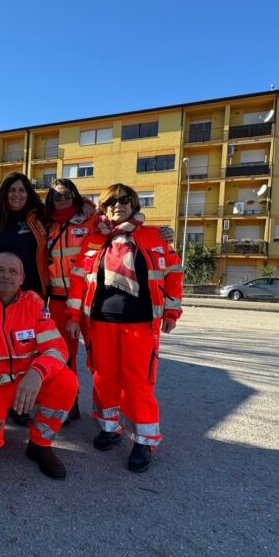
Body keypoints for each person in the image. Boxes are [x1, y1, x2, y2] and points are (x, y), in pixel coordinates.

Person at [65, 183, 183, 473]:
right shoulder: (94, 239)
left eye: (124, 200)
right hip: (101, 321)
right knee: (104, 378)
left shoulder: (154, 235)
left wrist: (172, 311)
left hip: (141, 322)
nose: (118, 205)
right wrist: (72, 316)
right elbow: (79, 280)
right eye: (111, 202)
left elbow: (173, 273)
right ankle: (110, 428)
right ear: (104, 208)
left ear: (134, 204)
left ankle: (144, 441)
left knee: (138, 382)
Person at [0, 252, 79, 479]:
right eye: (0, 270)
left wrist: (37, 372)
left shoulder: (34, 304)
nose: (6, 276)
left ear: (22, 278)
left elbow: (56, 348)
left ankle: (40, 444)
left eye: (13, 271)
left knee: (66, 380)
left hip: (26, 382)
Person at [42, 179, 96, 421]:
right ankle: (69, 402)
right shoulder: (46, 224)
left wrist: (159, 231)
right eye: (57, 196)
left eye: (67, 195)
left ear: (76, 196)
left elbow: (121, 220)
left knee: (98, 358)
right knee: (64, 356)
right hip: (57, 300)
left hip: (90, 299)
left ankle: (107, 412)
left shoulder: (91, 219)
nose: (62, 200)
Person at [0, 172, 48, 296]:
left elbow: (65, 206)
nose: (17, 194)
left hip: (32, 292)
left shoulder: (40, 216)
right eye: (12, 190)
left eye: (22, 190)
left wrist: (85, 203)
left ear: (28, 193)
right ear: (4, 193)